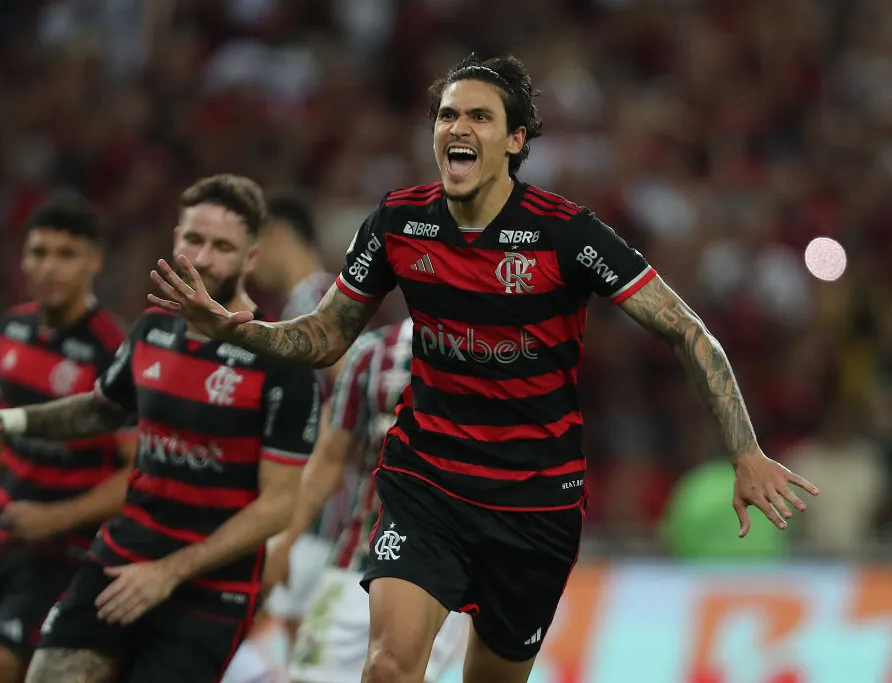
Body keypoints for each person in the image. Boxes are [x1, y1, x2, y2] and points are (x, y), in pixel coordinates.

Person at [148, 55, 820, 683]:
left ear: (515, 142)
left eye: (478, 117)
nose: (457, 128)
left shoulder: (565, 233)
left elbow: (684, 327)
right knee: (387, 665)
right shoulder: (400, 222)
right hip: (425, 481)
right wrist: (234, 328)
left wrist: (745, 449)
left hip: (534, 503)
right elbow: (324, 336)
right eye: (446, 115)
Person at [0, 174, 321, 683]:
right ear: (175, 241)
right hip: (121, 555)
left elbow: (276, 507)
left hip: (209, 585)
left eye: (222, 246)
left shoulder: (280, 363)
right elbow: (99, 411)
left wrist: (169, 572)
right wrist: (8, 420)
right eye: (192, 240)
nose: (202, 259)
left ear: (250, 258)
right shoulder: (151, 332)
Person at [0, 199, 133, 683]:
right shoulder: (14, 329)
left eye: (66, 254)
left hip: (69, 552)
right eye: (38, 252)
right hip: (4, 540)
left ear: (94, 261)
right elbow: (6, 426)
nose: (48, 267)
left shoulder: (115, 351)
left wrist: (56, 516)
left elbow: (139, 470)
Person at [267, 317, 467, 683]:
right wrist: (285, 540)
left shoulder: (496, 357)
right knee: (306, 676)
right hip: (358, 554)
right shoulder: (372, 353)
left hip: (441, 569)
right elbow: (329, 459)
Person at [240, 194, 351, 656]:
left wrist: (290, 529)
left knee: (299, 654)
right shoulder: (301, 307)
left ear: (278, 236)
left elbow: (349, 397)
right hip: (312, 519)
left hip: (320, 523)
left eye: (253, 246)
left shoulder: (320, 302)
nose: (249, 262)